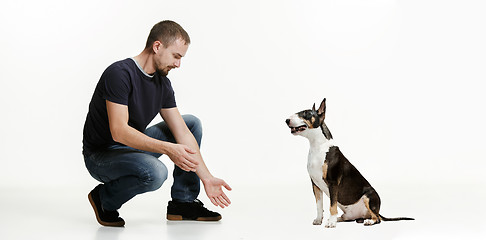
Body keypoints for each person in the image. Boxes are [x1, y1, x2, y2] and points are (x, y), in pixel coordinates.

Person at [82, 20, 231, 227]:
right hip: (101, 155)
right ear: (157, 46)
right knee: (155, 173)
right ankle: (104, 198)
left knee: (191, 124)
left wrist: (206, 177)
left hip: (130, 148)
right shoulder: (119, 74)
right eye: (176, 56)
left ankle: (183, 202)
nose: (178, 64)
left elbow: (183, 133)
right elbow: (119, 132)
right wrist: (168, 149)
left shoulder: (163, 84)